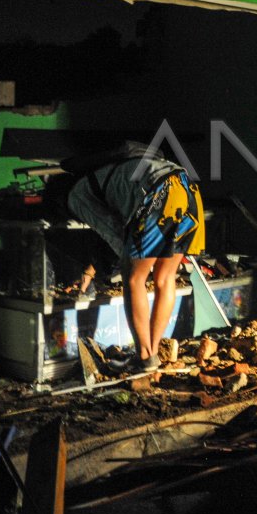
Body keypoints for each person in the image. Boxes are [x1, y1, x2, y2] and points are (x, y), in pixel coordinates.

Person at [58, 153, 205, 371]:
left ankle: (144, 355)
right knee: (165, 278)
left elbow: (115, 234)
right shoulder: (106, 172)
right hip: (186, 187)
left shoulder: (76, 195)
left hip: (160, 193)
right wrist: (93, 268)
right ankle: (151, 353)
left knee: (134, 278)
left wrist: (103, 268)